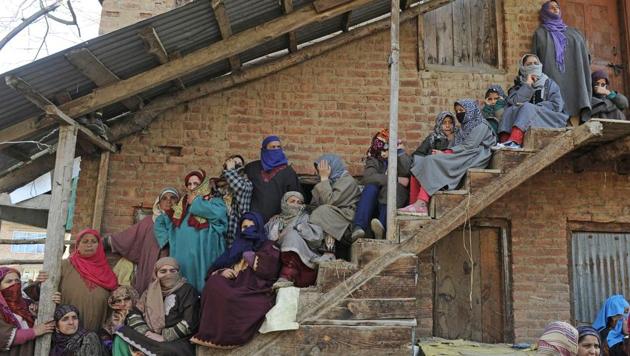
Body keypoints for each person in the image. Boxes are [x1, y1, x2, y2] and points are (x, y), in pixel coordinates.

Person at [191, 213, 281, 348]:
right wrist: (222, 271)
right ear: (240, 230)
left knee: (232, 297)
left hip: (254, 290)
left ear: (259, 227)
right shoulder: (234, 248)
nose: (249, 230)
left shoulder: (268, 245)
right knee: (214, 282)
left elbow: (271, 269)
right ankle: (207, 335)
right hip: (233, 284)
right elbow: (213, 270)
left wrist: (249, 255)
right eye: (245, 227)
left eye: (253, 226)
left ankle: (229, 339)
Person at [399, 99, 496, 215]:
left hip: (474, 157)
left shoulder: (481, 125)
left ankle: (421, 203)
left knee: (431, 161)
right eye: (457, 111)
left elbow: (469, 146)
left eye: (462, 110)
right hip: (462, 155)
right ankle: (414, 205)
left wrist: (446, 153)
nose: (459, 113)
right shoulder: (462, 129)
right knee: (419, 166)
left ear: (470, 110)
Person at [154, 169, 228, 292]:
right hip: (183, 256)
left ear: (203, 185)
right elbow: (162, 220)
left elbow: (219, 215)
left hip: (205, 255)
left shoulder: (215, 202)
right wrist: (165, 239)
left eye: (196, 184)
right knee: (184, 290)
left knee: (205, 287)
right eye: (189, 184)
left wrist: (196, 202)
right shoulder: (181, 207)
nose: (192, 187)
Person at [113, 257, 200, 356]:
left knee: (165, 352)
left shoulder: (187, 290)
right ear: (156, 274)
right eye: (163, 271)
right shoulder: (150, 292)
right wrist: (146, 332)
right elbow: (135, 313)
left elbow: (190, 321)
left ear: (178, 273)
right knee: (121, 334)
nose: (168, 274)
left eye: (172, 271)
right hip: (149, 335)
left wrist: (164, 337)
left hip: (177, 340)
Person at [37, 229, 118, 332]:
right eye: (85, 241)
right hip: (66, 331)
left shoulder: (107, 272)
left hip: (96, 332)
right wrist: (41, 282)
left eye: (93, 241)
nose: (89, 245)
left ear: (99, 246)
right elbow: (43, 290)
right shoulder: (64, 266)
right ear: (78, 245)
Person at [105, 187, 179, 295]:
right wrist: (103, 243)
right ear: (158, 203)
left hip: (173, 271)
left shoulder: (182, 223)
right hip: (150, 268)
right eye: (164, 198)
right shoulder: (149, 222)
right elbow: (127, 237)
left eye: (173, 198)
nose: (168, 201)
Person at [533, 0, 591, 122]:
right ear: (544, 12)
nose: (555, 9)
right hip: (552, 76)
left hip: (575, 76)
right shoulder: (540, 34)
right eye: (551, 8)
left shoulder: (574, 32)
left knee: (575, 110)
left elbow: (585, 56)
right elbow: (534, 59)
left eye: (557, 7)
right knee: (555, 102)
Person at [495, 54, 568, 149]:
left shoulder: (549, 84)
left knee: (527, 107)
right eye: (529, 64)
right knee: (509, 110)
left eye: (535, 63)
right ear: (523, 68)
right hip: (527, 120)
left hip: (549, 119)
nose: (533, 66)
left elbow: (557, 105)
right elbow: (514, 102)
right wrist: (527, 85)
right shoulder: (517, 87)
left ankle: (515, 141)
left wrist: (535, 108)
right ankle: (504, 142)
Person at [352, 129, 410, 240]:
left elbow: (407, 172)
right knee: (371, 187)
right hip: (375, 200)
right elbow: (368, 178)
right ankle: (359, 228)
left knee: (391, 188)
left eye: (387, 147)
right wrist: (395, 179)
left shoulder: (400, 156)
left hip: (393, 199)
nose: (383, 152)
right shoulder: (373, 159)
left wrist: (400, 153)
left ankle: (381, 228)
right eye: (381, 148)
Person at [399, 112, 458, 216]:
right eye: (444, 123)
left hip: (447, 170)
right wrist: (430, 155)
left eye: (450, 122)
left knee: (427, 166)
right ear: (439, 124)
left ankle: (420, 205)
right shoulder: (433, 137)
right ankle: (413, 205)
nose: (448, 126)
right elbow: (418, 153)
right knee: (416, 170)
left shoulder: (458, 137)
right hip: (431, 167)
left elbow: (459, 154)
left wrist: (442, 154)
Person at [266, 191, 324, 288]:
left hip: (303, 268)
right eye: (292, 201)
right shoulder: (274, 221)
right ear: (284, 203)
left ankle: (287, 275)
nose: (296, 205)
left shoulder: (307, 218)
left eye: (299, 202)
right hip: (276, 265)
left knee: (292, 235)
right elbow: (266, 242)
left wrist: (298, 227)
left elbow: (317, 239)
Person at [310, 154, 361, 260]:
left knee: (323, 211)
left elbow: (330, 201)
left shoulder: (347, 181)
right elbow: (313, 205)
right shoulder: (328, 181)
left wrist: (324, 179)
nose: (320, 172)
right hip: (334, 217)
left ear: (331, 167)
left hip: (346, 220)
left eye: (323, 169)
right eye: (319, 170)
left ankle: (329, 253)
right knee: (316, 214)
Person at [244, 135, 302, 222]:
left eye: (278, 147)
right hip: (254, 220)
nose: (276, 150)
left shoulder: (288, 172)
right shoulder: (252, 168)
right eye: (272, 147)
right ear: (264, 149)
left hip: (277, 221)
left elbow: (295, 197)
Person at [0, 267, 54, 355]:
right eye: (9, 281)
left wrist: (35, 315)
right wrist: (34, 331)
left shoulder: (26, 303)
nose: (15, 284)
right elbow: (2, 336)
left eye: (17, 281)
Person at [222, 155, 253, 247]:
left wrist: (231, 170)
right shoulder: (220, 185)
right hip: (219, 237)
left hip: (235, 236)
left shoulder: (247, 184)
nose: (236, 166)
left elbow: (239, 187)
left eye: (239, 164)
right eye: (233, 163)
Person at [99, 286, 139, 352]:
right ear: (113, 304)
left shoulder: (139, 316)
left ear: (133, 300)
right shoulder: (111, 320)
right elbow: (107, 340)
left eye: (126, 299)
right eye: (118, 301)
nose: (123, 304)